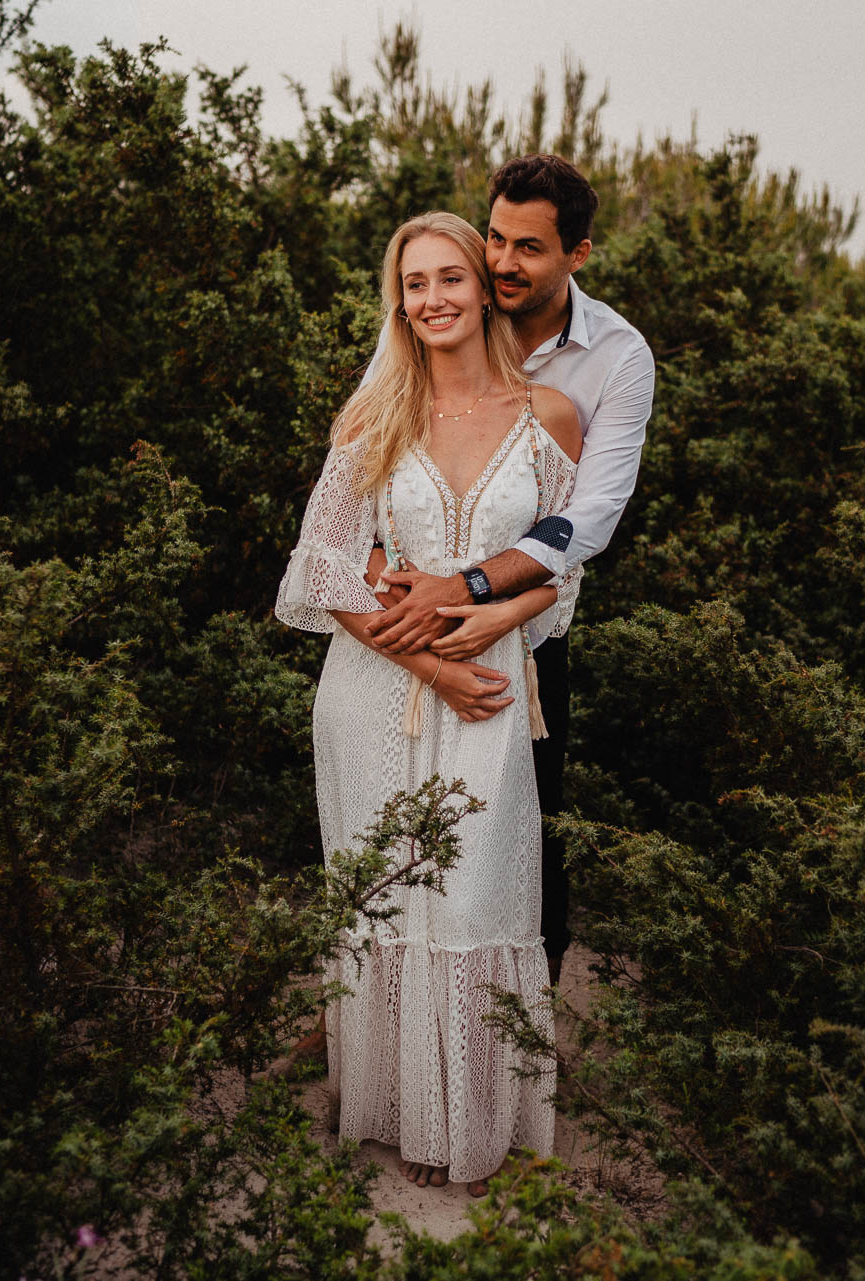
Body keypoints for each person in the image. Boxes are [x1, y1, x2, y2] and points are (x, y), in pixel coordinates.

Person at [275, 211, 584, 1194]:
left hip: (492, 691)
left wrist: (484, 631)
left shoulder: (549, 416)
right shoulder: (374, 415)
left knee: (478, 892)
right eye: (414, 285)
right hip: (373, 693)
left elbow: (561, 573)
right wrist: (432, 666)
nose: (434, 298)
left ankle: (478, 1119)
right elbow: (326, 562)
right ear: (397, 301)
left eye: (451, 277)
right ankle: (392, 1107)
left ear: (484, 286)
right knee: (387, 893)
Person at [364, 155, 657, 986]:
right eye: (494, 237)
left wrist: (486, 599)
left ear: (578, 254)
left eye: (528, 247)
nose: (502, 262)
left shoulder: (615, 359)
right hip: (409, 625)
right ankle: (377, 1007)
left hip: (525, 631)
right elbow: (370, 482)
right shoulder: (445, 308)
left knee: (528, 827)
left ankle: (525, 1012)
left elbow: (591, 516)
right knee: (392, 823)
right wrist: (405, 592)